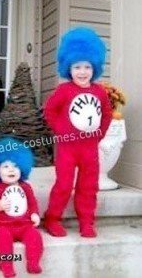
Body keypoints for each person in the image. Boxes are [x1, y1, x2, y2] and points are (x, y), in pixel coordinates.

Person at [43, 27, 112, 238]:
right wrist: (60, 132)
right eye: (77, 67)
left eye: (87, 67)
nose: (82, 72)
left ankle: (87, 221)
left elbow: (107, 115)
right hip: (67, 148)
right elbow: (49, 111)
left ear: (95, 67)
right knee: (64, 184)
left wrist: (98, 134)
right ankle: (52, 218)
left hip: (89, 148)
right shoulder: (64, 91)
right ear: (68, 68)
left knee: (89, 186)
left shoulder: (99, 92)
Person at [0, 137, 43, 277]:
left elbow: (32, 203)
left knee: (35, 237)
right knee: (3, 240)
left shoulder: (26, 187)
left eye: (16, 166)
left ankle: (33, 262)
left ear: (22, 168)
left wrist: (34, 214)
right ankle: (6, 266)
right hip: (3, 225)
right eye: (6, 166)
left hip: (25, 225)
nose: (11, 170)